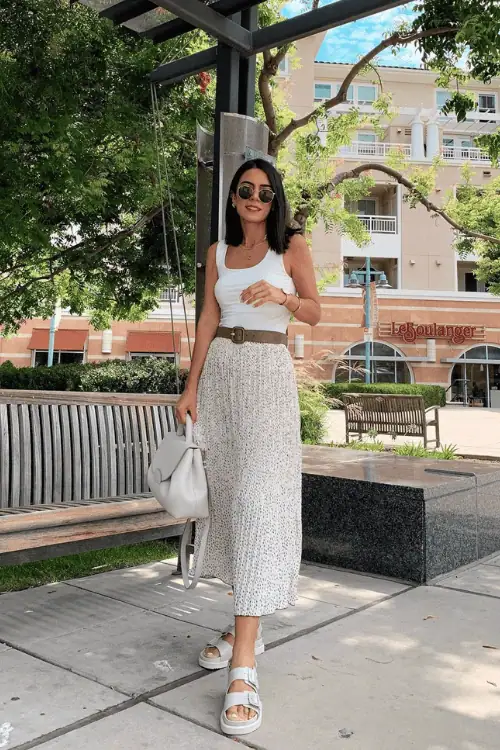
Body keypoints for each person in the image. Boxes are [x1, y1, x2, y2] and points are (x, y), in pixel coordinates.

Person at [175, 158, 321, 736]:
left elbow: (316, 311)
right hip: (221, 380)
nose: (256, 197)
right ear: (233, 199)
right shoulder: (217, 254)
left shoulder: (291, 247)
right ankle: (244, 628)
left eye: (265, 191)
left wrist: (283, 297)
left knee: (260, 505)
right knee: (233, 504)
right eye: (246, 190)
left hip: (266, 375)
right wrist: (191, 387)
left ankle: (243, 667)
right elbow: (208, 319)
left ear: (274, 198)